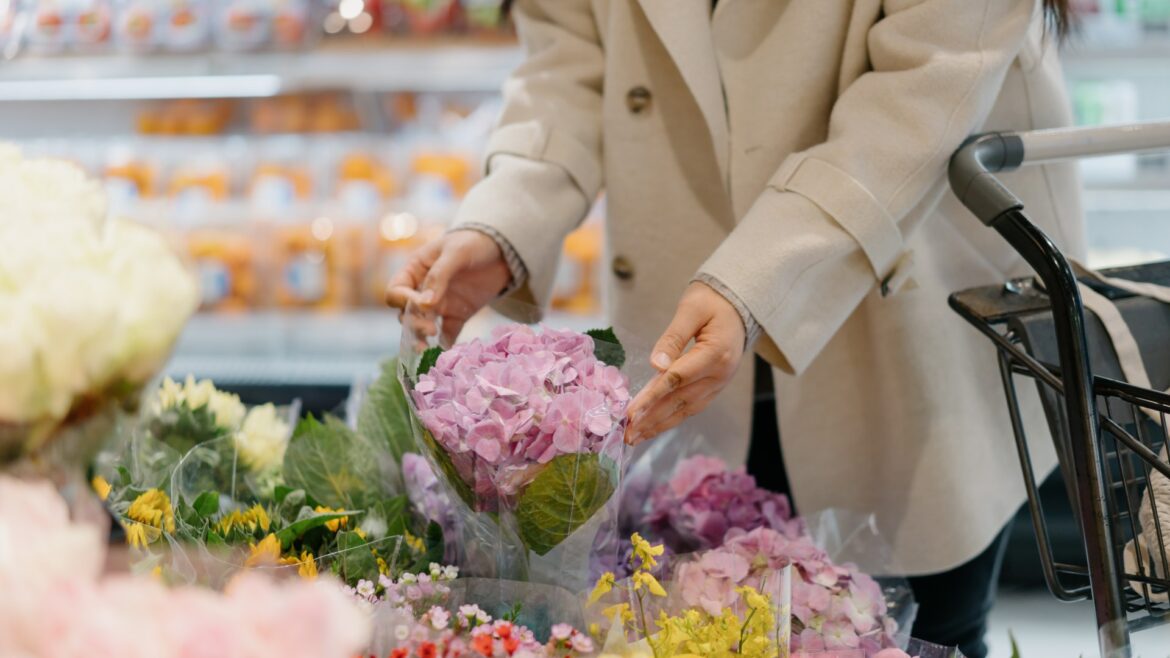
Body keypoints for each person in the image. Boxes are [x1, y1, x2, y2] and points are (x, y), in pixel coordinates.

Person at [386, 1, 1084, 656]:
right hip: (687, 322)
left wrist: (757, 281)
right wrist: (504, 222)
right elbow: (568, 60)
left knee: (927, 626)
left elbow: (926, 88)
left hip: (901, 300)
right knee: (707, 622)